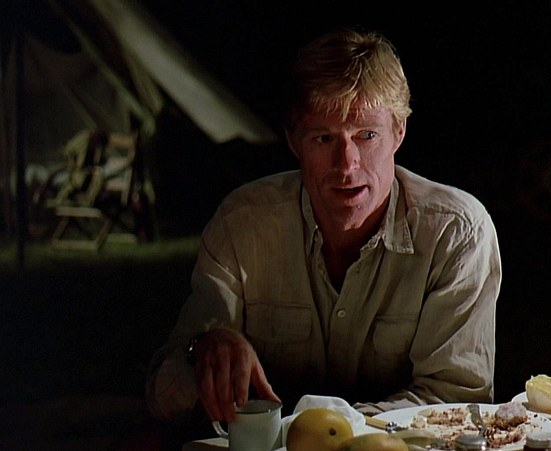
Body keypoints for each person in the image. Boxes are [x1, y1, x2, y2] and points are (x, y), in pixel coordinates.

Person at [145, 28, 502, 433]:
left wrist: (323, 430)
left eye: (366, 135)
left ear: (398, 132)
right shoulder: (242, 226)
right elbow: (162, 397)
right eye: (323, 138)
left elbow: (455, 401)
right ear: (293, 141)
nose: (346, 164)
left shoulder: (456, 234)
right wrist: (201, 353)